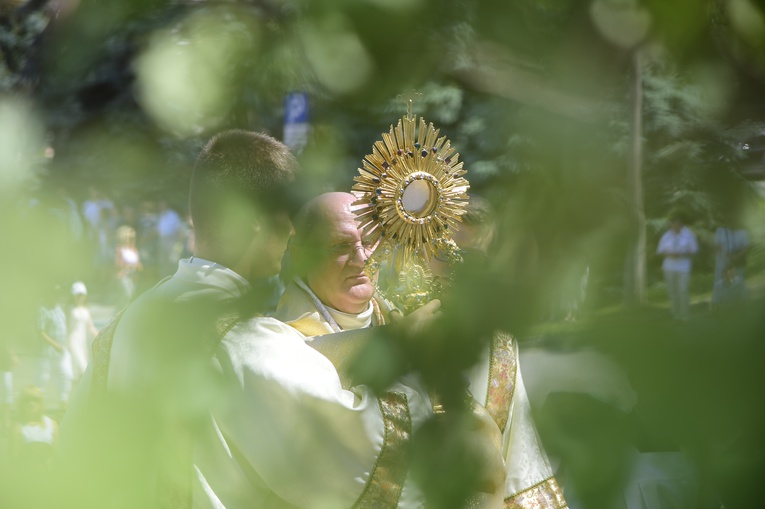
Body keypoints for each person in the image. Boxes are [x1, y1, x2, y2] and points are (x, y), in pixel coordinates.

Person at [59, 131, 458, 509]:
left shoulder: (127, 322)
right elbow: (365, 454)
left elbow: (73, 452)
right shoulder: (244, 339)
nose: (290, 236)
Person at [274, 192, 565, 509]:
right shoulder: (279, 343)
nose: (361, 258)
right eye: (341, 247)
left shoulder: (407, 314)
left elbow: (508, 457)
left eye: (369, 241)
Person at [37, 284, 73, 413]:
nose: (57, 296)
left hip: (61, 351)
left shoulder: (58, 308)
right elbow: (40, 331)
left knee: (66, 376)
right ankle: (37, 407)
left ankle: (63, 403)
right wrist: (54, 344)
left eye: (58, 294)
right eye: (54, 294)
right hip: (47, 352)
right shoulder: (43, 310)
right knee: (42, 380)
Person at [656, 211, 698, 321]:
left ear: (681, 224)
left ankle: (685, 316)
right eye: (673, 224)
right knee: (672, 291)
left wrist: (682, 254)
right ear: (671, 224)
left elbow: (694, 251)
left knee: (682, 290)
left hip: (683, 267)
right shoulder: (666, 236)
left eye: (677, 224)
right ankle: (675, 314)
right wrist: (670, 254)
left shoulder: (689, 234)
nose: (675, 226)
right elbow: (660, 252)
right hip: (669, 267)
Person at [712, 219, 749, 307]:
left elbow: (746, 247)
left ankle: (742, 299)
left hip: (737, 259)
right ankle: (716, 302)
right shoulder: (720, 231)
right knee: (719, 280)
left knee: (738, 278)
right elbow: (717, 245)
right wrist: (726, 255)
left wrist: (737, 256)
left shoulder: (742, 232)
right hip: (723, 259)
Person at [67, 282, 99, 380]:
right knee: (82, 368)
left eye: (82, 295)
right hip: (72, 341)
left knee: (79, 372)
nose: (80, 298)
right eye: (77, 295)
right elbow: (66, 327)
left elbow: (90, 326)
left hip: (82, 343)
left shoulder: (86, 310)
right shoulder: (70, 309)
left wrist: (100, 336)